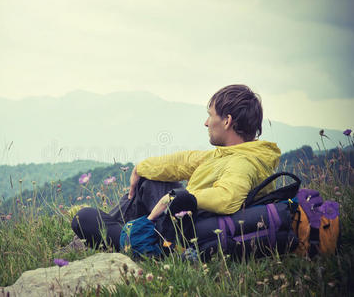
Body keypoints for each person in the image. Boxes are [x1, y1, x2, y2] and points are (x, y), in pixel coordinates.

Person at [71, 84, 281, 251]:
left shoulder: (242, 163)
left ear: (227, 121)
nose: (206, 123)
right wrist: (140, 168)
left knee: (84, 218)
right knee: (150, 179)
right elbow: (185, 161)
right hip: (179, 222)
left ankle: (126, 239)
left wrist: (179, 198)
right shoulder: (231, 153)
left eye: (211, 115)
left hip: (180, 236)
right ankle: (120, 232)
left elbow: (228, 196)